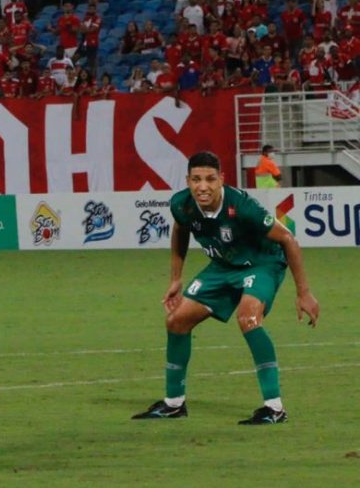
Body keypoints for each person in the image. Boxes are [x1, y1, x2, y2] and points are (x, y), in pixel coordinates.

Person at [132, 151, 319, 425]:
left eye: (209, 179)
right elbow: (180, 230)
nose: (202, 186)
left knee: (249, 318)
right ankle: (174, 404)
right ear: (188, 181)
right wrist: (176, 278)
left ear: (221, 179)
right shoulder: (182, 205)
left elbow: (288, 239)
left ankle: (274, 408)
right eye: (196, 179)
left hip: (261, 263)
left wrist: (304, 292)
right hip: (223, 266)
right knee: (176, 321)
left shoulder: (242, 207)